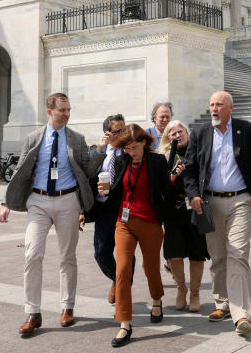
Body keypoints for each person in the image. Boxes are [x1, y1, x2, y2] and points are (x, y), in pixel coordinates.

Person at [0, 93, 107, 337]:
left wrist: (99, 151)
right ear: (50, 111)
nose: (67, 114)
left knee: (67, 256)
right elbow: (20, 170)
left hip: (68, 200)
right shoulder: (34, 137)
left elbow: (88, 170)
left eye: (69, 110)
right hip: (37, 200)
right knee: (32, 253)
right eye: (63, 110)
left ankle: (67, 307)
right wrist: (6, 202)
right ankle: (32, 313)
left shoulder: (77, 139)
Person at [183, 90, 251, 336]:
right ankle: (221, 303)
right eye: (211, 104)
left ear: (230, 108)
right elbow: (190, 169)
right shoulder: (200, 133)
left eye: (219, 105)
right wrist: (193, 196)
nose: (213, 109)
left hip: (241, 199)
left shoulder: (245, 129)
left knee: (238, 253)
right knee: (218, 256)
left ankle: (241, 313)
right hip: (209, 202)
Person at [98, 124, 171, 347]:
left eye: (135, 147)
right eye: (128, 148)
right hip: (124, 223)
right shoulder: (122, 161)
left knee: (150, 267)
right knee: (122, 270)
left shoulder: (157, 162)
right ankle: (124, 323)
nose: (132, 152)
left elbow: (166, 192)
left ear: (145, 143)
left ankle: (156, 300)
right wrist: (105, 192)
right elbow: (116, 190)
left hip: (150, 222)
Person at [158, 120, 207, 312]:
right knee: (174, 253)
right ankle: (181, 288)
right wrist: (172, 177)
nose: (178, 135)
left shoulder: (198, 152)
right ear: (168, 137)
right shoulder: (163, 157)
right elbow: (160, 188)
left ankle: (195, 293)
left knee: (197, 252)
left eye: (180, 131)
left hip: (195, 210)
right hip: (173, 211)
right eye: (173, 133)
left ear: (187, 132)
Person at [89, 114, 130, 304]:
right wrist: (99, 148)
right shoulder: (99, 153)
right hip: (103, 209)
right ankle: (117, 279)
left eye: (123, 128)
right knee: (101, 251)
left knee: (125, 252)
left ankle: (122, 286)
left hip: (124, 209)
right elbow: (87, 176)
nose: (122, 133)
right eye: (117, 130)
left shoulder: (130, 152)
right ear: (107, 133)